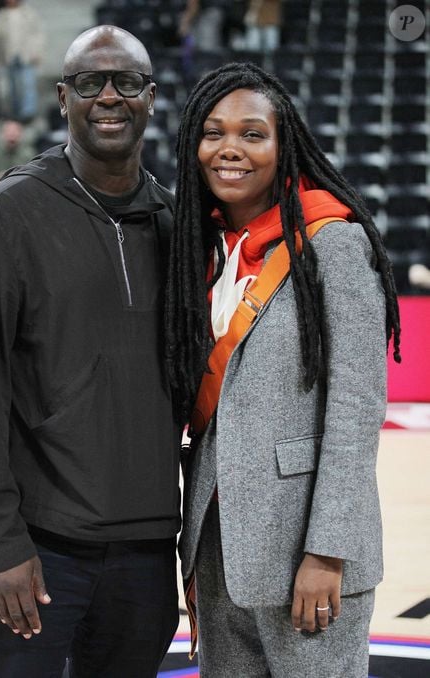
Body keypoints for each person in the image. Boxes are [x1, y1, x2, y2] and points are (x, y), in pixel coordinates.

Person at [0, 25, 180, 678]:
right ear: (63, 97)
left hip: (148, 554)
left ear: (150, 98)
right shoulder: (8, 216)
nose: (109, 95)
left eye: (126, 81)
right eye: (91, 82)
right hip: (39, 554)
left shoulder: (174, 224)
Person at [165, 62, 401, 677]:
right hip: (217, 547)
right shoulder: (200, 250)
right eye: (213, 133)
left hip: (308, 554)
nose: (229, 150)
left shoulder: (333, 243)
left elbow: (355, 410)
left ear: (283, 144)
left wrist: (329, 550)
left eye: (252, 134)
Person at [0, 0, 45, 121]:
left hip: (26, 55)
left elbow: (37, 34)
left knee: (28, 84)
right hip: (8, 55)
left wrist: (36, 52)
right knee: (12, 86)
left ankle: (28, 112)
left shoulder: (29, 13)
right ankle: (15, 112)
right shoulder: (0, 16)